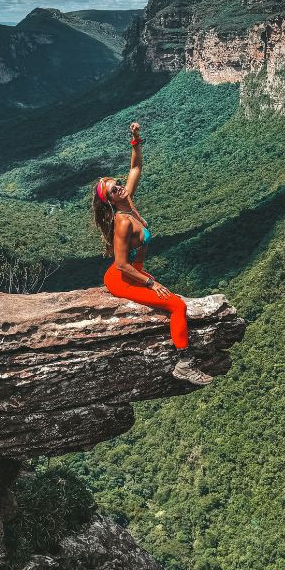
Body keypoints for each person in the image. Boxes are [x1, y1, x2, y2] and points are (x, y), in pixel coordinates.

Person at [92, 121, 213, 386]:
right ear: (110, 201)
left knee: (173, 300)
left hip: (134, 272)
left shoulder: (129, 200)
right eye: (114, 189)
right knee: (177, 305)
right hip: (120, 277)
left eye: (118, 184)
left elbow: (135, 168)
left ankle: (184, 359)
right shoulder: (122, 222)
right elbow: (121, 264)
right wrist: (150, 282)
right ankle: (184, 363)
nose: (120, 187)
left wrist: (135, 140)